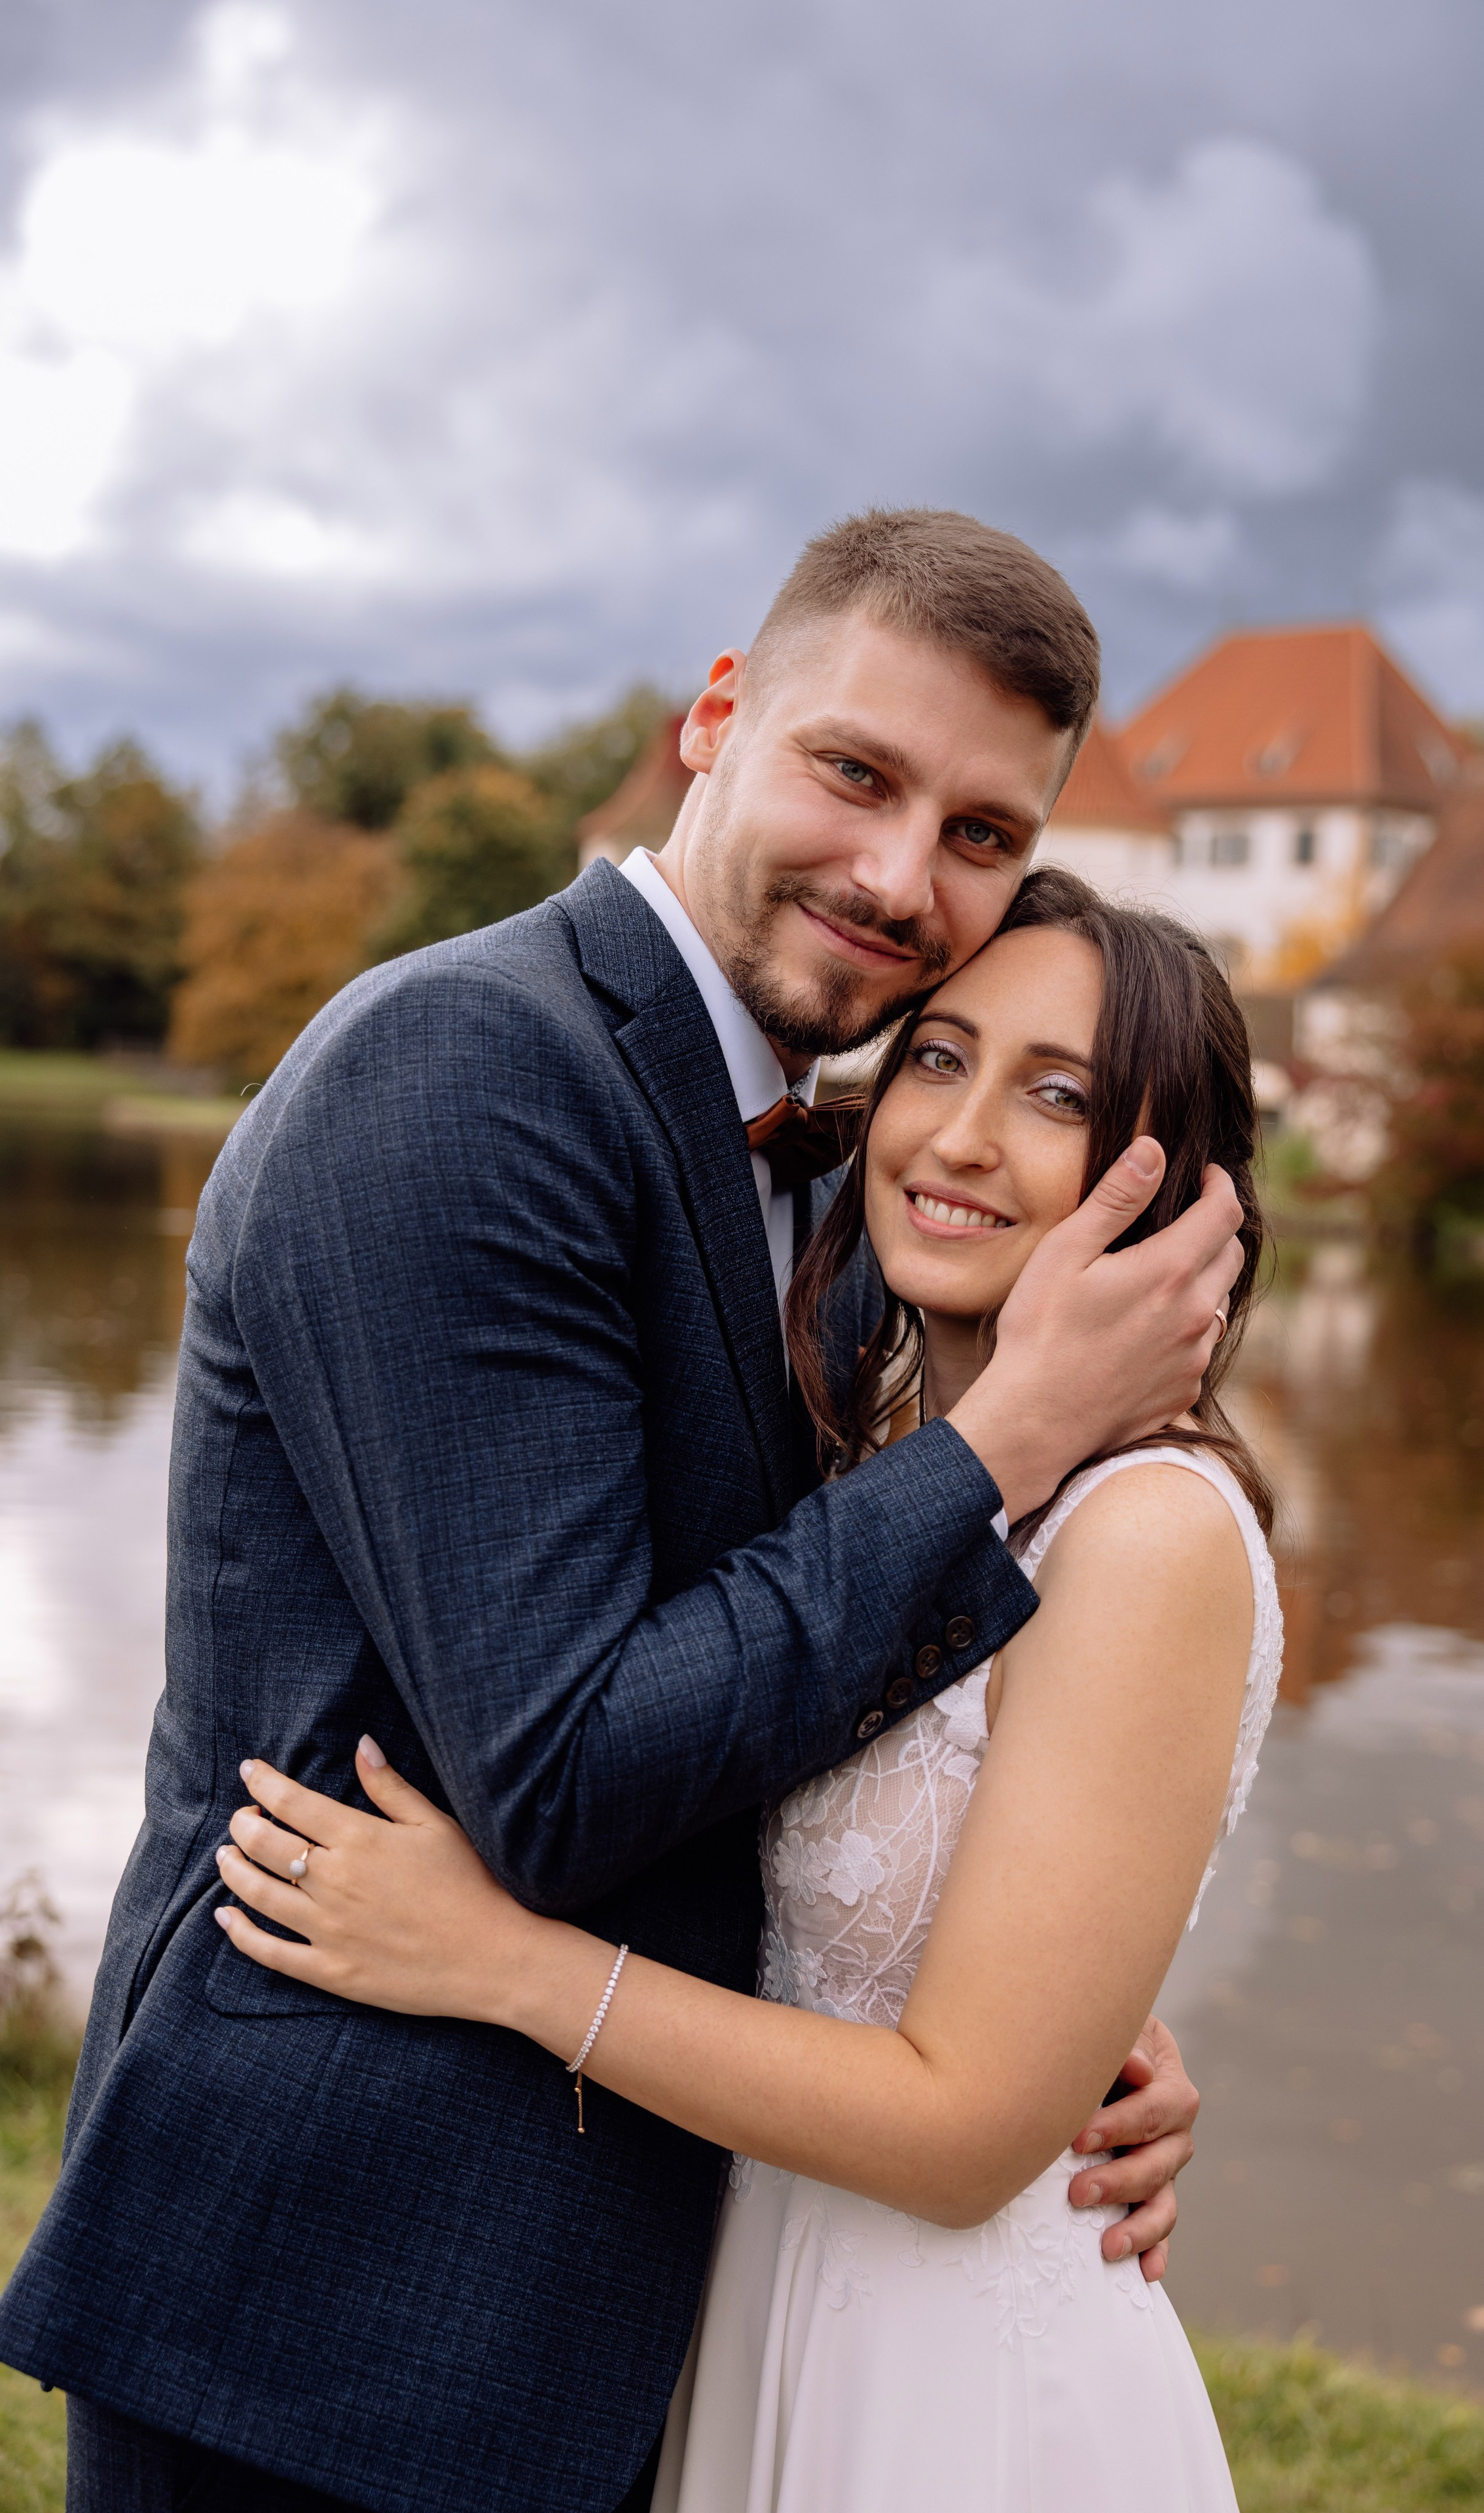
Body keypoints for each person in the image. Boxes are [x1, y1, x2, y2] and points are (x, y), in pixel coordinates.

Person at [0, 511, 1243, 2513]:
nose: (901, 873)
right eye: (857, 771)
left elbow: (793, 1675)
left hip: (627, 2297)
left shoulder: (835, 1185)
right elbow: (564, 1765)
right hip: (333, 2307)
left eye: (984, 832)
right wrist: (1009, 1438)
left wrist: (1037, 1996)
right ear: (716, 719)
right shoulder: (466, 1071)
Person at [213, 870, 1281, 2510]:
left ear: (1176, 1196)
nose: (961, 1135)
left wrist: (499, 1959)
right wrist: (1074, 2000)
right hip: (751, 2302)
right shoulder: (889, 1462)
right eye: (938, 1058)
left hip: (947, 2390)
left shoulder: (1145, 1531)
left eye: (1056, 1096)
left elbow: (960, 2131)